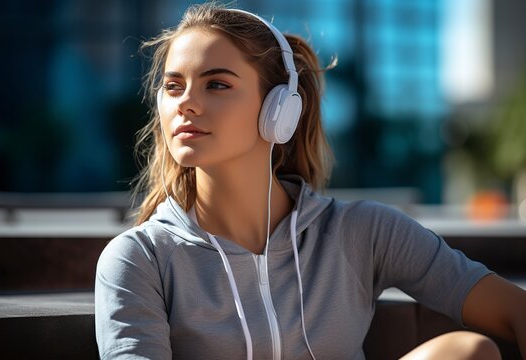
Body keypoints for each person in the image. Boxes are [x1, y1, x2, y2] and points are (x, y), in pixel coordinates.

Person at [95, 3, 526, 359]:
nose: (186, 103)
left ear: (279, 110)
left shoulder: (363, 232)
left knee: (467, 351)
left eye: (217, 84)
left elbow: (514, 309)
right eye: (174, 86)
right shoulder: (139, 259)